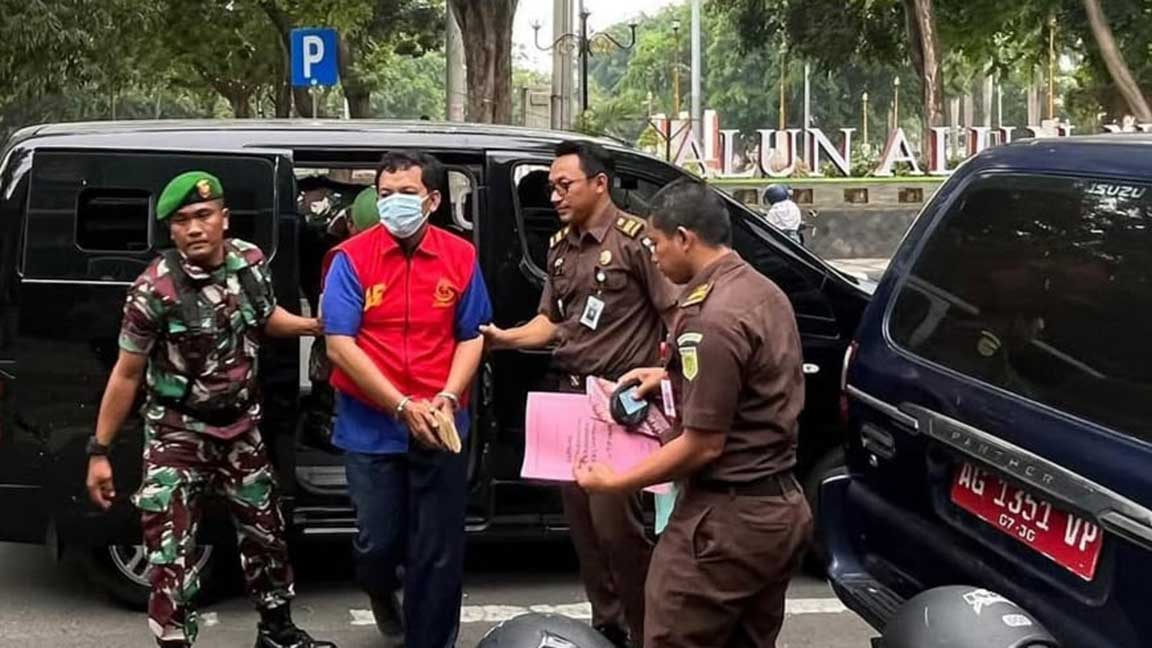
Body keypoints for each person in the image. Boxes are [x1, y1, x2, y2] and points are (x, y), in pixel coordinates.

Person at [85, 171, 332, 648]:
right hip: (178, 433)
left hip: (241, 429)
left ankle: (277, 632)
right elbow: (127, 373)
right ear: (171, 230)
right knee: (169, 552)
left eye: (203, 215)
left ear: (224, 218)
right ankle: (174, 640)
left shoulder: (249, 261)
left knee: (266, 533)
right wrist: (99, 451)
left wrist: (315, 326)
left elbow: (267, 317)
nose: (194, 228)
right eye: (182, 221)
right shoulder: (154, 290)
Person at [575, 178, 813, 648]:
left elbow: (703, 444)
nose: (653, 256)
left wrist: (616, 483)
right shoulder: (760, 290)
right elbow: (751, 379)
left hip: (725, 522)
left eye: (656, 244)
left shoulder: (711, 317)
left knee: (672, 634)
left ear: (685, 238)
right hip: (778, 509)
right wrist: (667, 376)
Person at [482, 140, 678, 648]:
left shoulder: (637, 241)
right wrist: (506, 338)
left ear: (599, 183)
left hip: (620, 407)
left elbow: (677, 314)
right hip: (571, 404)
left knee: (620, 532)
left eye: (564, 185)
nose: (555, 196)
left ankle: (646, 632)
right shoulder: (559, 247)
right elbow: (551, 322)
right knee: (585, 532)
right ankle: (607, 627)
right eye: (551, 187)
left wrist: (664, 374)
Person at [322, 151, 492, 648]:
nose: (394, 202)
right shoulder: (351, 258)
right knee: (378, 543)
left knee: (437, 551)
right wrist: (400, 405)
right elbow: (339, 344)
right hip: (371, 426)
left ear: (433, 201)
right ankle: (379, 589)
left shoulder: (460, 256)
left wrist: (448, 395)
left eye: (407, 193)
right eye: (386, 194)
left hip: (440, 423)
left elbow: (472, 335)